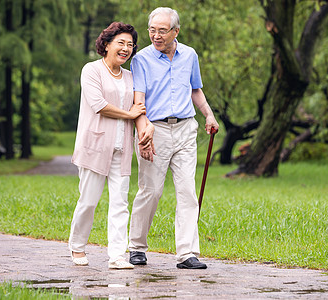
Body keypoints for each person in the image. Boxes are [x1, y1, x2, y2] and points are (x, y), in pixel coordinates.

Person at [128, 7, 219, 269]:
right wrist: (143, 133)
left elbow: (195, 89)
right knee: (152, 190)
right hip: (154, 130)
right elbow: (139, 100)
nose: (156, 35)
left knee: (187, 191)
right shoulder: (141, 59)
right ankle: (136, 246)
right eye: (152, 30)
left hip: (185, 129)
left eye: (162, 30)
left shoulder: (189, 55)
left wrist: (209, 116)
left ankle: (187, 253)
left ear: (175, 31)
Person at [68, 22, 146, 270]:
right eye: (121, 43)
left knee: (120, 203)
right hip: (95, 145)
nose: (126, 49)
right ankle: (77, 246)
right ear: (107, 44)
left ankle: (117, 255)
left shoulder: (131, 77)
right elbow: (98, 105)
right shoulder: (91, 70)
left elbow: (140, 109)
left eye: (130, 45)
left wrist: (142, 122)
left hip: (122, 149)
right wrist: (130, 114)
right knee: (88, 201)